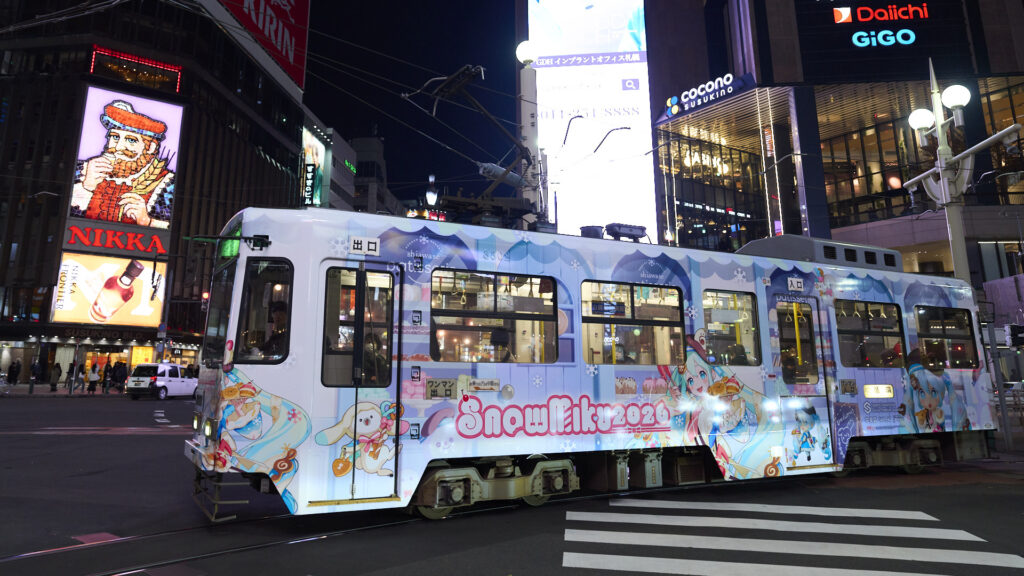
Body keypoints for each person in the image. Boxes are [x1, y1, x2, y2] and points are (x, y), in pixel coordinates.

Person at [70, 100, 175, 229]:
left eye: (131, 140)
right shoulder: (83, 170)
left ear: (150, 147)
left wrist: (148, 221)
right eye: (115, 137)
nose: (119, 147)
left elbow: (178, 229)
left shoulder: (168, 184)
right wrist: (86, 187)